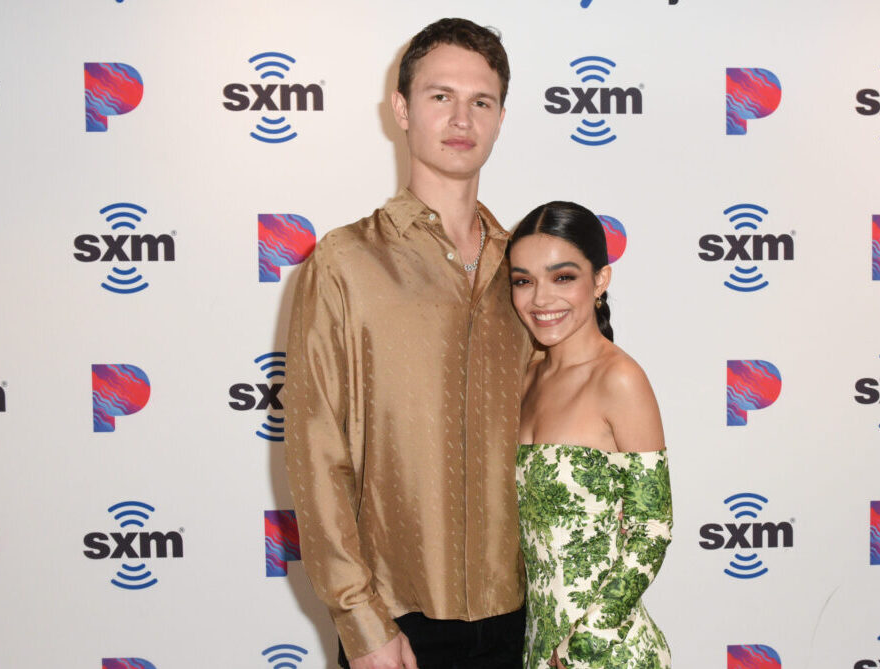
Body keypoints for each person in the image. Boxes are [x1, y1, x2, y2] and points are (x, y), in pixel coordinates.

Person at [283, 18, 531, 669]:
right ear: (400, 109)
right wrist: (361, 621)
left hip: (526, 617)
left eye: (480, 101)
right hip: (399, 624)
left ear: (501, 117)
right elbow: (316, 449)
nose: (460, 118)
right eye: (438, 95)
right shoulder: (344, 261)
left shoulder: (530, 271)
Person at [508, 201, 673, 669]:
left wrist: (585, 645)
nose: (540, 299)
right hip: (537, 645)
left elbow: (651, 529)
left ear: (600, 280)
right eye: (523, 280)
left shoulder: (619, 379)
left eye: (563, 277)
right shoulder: (526, 377)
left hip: (605, 652)